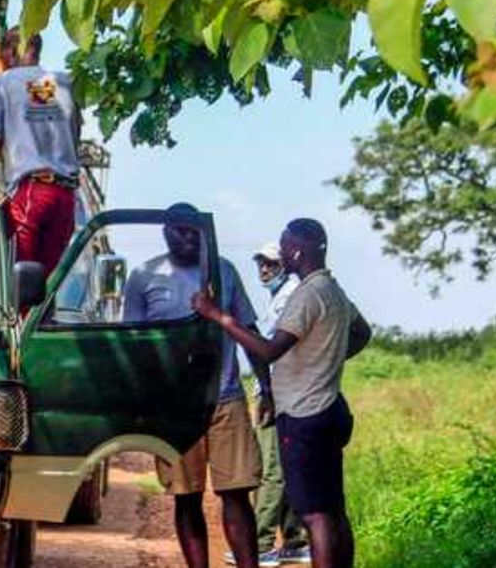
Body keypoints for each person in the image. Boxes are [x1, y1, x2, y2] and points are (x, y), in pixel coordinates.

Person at [193, 219, 372, 568]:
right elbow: (362, 333)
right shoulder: (334, 291)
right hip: (331, 408)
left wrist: (219, 316)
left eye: (284, 246)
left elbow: (268, 351)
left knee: (314, 515)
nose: (281, 254)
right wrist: (326, 358)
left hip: (305, 414)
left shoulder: (306, 294)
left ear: (297, 250)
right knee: (334, 508)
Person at [122, 203, 265, 568]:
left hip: (225, 399)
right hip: (175, 407)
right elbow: (134, 345)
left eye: (193, 232)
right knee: (187, 497)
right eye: (179, 231)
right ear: (165, 232)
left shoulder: (223, 272)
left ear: (203, 233)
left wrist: (269, 389)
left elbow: (248, 331)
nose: (187, 238)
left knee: (236, 494)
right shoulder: (143, 276)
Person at [0, 27, 81, 276]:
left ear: (11, 52)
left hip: (31, 193)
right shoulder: (65, 83)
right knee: (41, 288)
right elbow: (74, 140)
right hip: (65, 197)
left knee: (15, 284)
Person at [237, 243, 309, 566]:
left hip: (277, 390)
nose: (264, 270)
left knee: (271, 469)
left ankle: (262, 542)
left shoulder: (290, 295)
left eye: (270, 264)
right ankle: (294, 539)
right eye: (260, 264)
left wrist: (266, 392)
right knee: (286, 465)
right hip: (286, 389)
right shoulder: (282, 296)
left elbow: (268, 350)